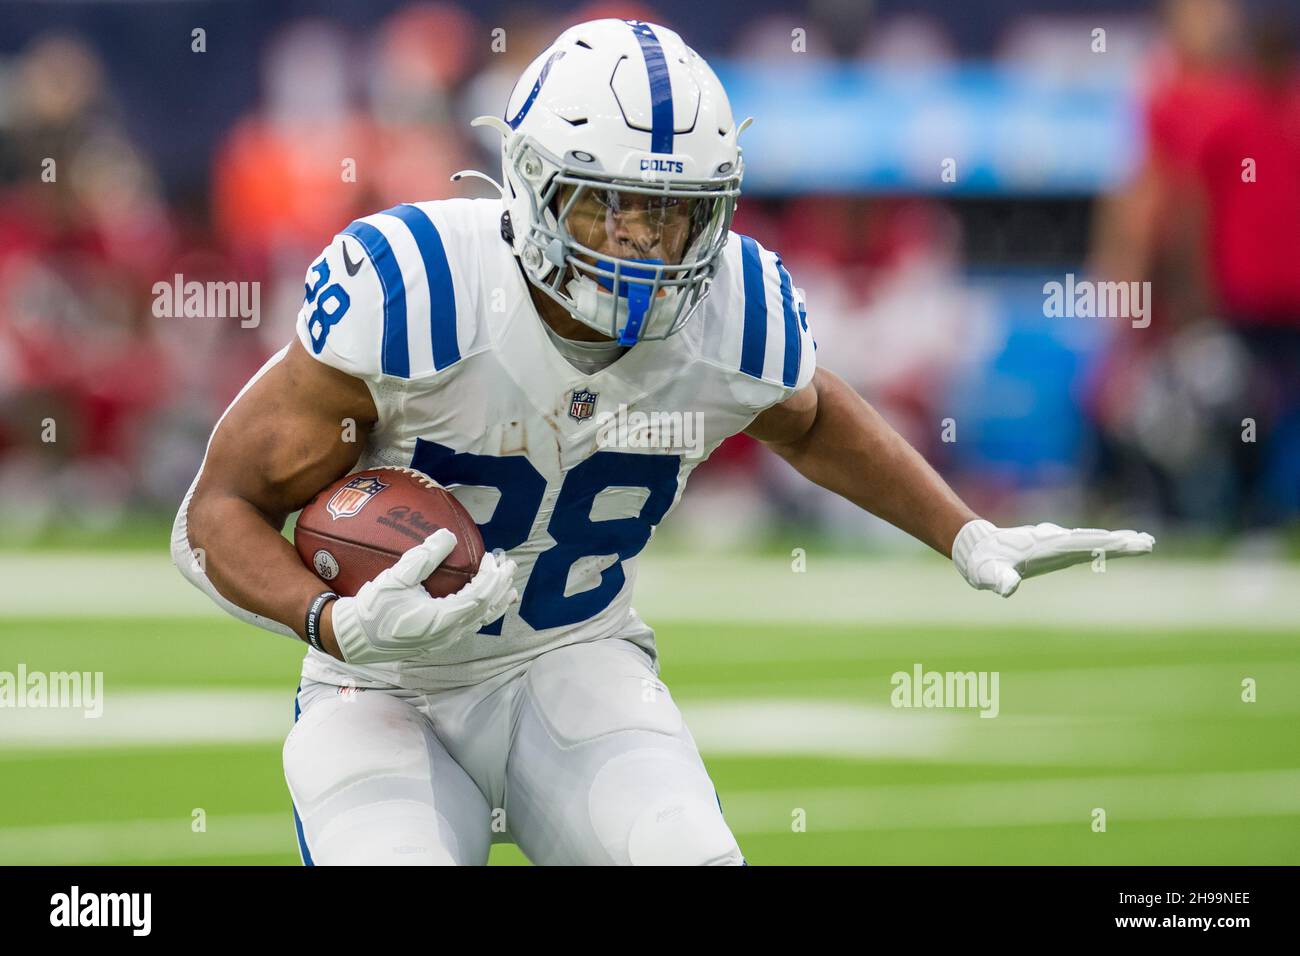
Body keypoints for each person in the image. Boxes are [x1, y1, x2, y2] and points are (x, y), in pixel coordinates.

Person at [172, 18, 1153, 866]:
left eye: (678, 211)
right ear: (530, 184)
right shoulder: (422, 289)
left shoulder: (734, 306)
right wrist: (331, 621)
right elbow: (213, 512)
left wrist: (963, 531)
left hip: (570, 657)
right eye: (612, 203)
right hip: (377, 685)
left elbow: (808, 416)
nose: (645, 242)